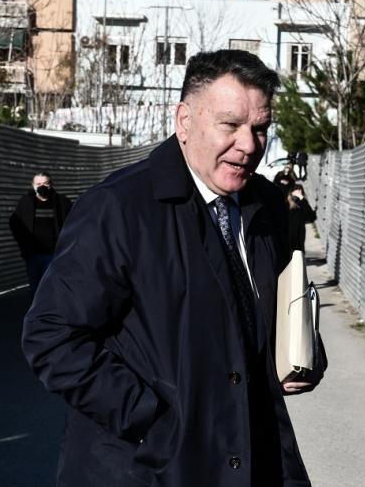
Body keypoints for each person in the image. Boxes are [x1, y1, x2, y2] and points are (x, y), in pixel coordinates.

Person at [21, 50, 324, 487]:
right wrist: (150, 419)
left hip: (249, 457)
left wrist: (301, 352)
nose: (248, 145)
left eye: (260, 128)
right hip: (144, 468)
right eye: (230, 125)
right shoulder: (118, 208)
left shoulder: (267, 205)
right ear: (184, 120)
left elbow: (262, 315)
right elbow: (51, 336)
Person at [9, 172, 72, 295]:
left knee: (52, 287)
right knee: (36, 288)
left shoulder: (61, 202)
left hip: (54, 254)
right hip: (33, 255)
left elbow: (74, 220)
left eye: (45, 183)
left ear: (51, 184)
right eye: (38, 184)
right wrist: (23, 244)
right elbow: (14, 223)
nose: (42, 186)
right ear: (33, 185)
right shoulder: (26, 202)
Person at [287, 184, 316, 252]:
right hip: (286, 243)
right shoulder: (285, 205)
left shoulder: (302, 206)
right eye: (296, 193)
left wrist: (302, 199)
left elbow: (312, 218)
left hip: (298, 244)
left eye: (300, 193)